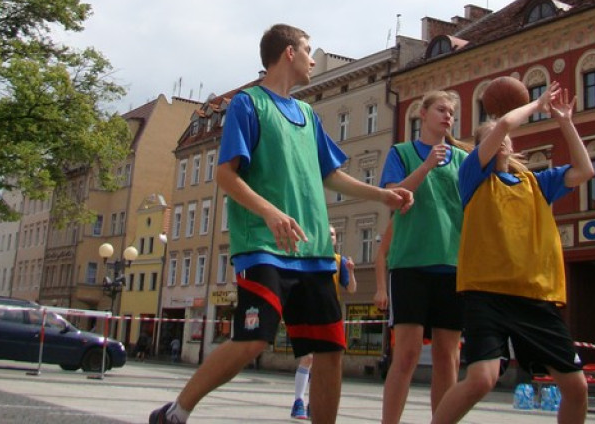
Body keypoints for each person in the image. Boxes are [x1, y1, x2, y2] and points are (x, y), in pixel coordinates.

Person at [150, 23, 413, 424]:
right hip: (264, 247)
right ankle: (176, 412)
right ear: (289, 53)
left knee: (329, 351)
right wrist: (270, 212)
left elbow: (331, 174)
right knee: (253, 340)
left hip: (313, 254)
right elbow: (226, 174)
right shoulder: (248, 104)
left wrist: (382, 194)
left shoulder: (308, 114)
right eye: (307, 49)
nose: (312, 58)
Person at [432, 83, 595, 424]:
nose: (502, 136)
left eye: (504, 135)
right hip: (486, 293)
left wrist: (565, 122)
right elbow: (505, 124)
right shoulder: (473, 176)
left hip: (536, 294)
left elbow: (585, 170)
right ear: (483, 148)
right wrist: (536, 104)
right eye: (492, 135)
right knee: (481, 379)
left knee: (576, 387)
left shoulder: (537, 183)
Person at [380, 90, 470, 424]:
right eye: (442, 110)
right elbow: (393, 198)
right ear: (422, 113)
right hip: (410, 263)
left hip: (453, 264)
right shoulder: (401, 152)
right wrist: (428, 165)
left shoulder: (462, 159)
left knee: (449, 357)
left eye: (452, 113)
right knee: (406, 355)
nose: (448, 116)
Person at [290, 225, 357, 420]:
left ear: (336, 239)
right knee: (308, 358)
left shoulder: (339, 261)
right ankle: (298, 402)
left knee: (324, 361)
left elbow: (351, 289)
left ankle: (313, 404)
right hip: (309, 309)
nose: (331, 237)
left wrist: (351, 272)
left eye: (334, 234)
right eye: (327, 234)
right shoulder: (311, 256)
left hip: (329, 313)